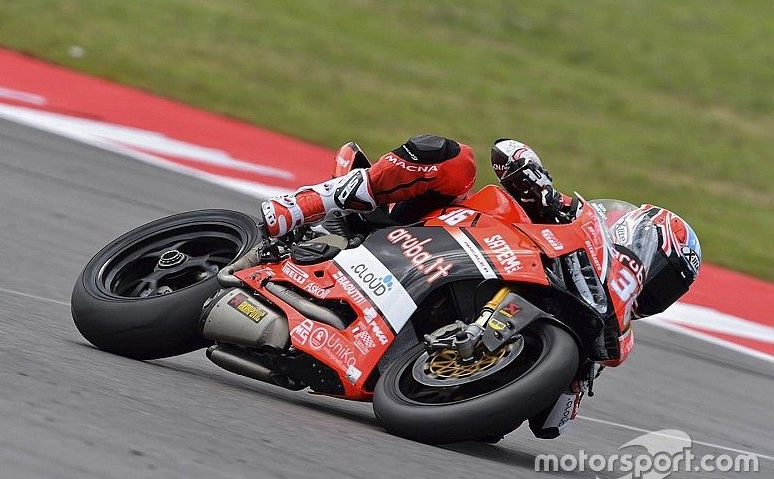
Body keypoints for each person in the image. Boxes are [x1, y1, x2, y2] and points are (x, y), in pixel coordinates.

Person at [261, 134, 702, 438]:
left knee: (488, 436)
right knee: (453, 158)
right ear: (638, 236)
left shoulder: (606, 333)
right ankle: (309, 206)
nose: (657, 291)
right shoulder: (570, 215)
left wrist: (565, 382)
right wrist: (536, 184)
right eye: (662, 275)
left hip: (429, 325)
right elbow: (507, 151)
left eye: (668, 289)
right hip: (430, 230)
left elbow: (549, 426)